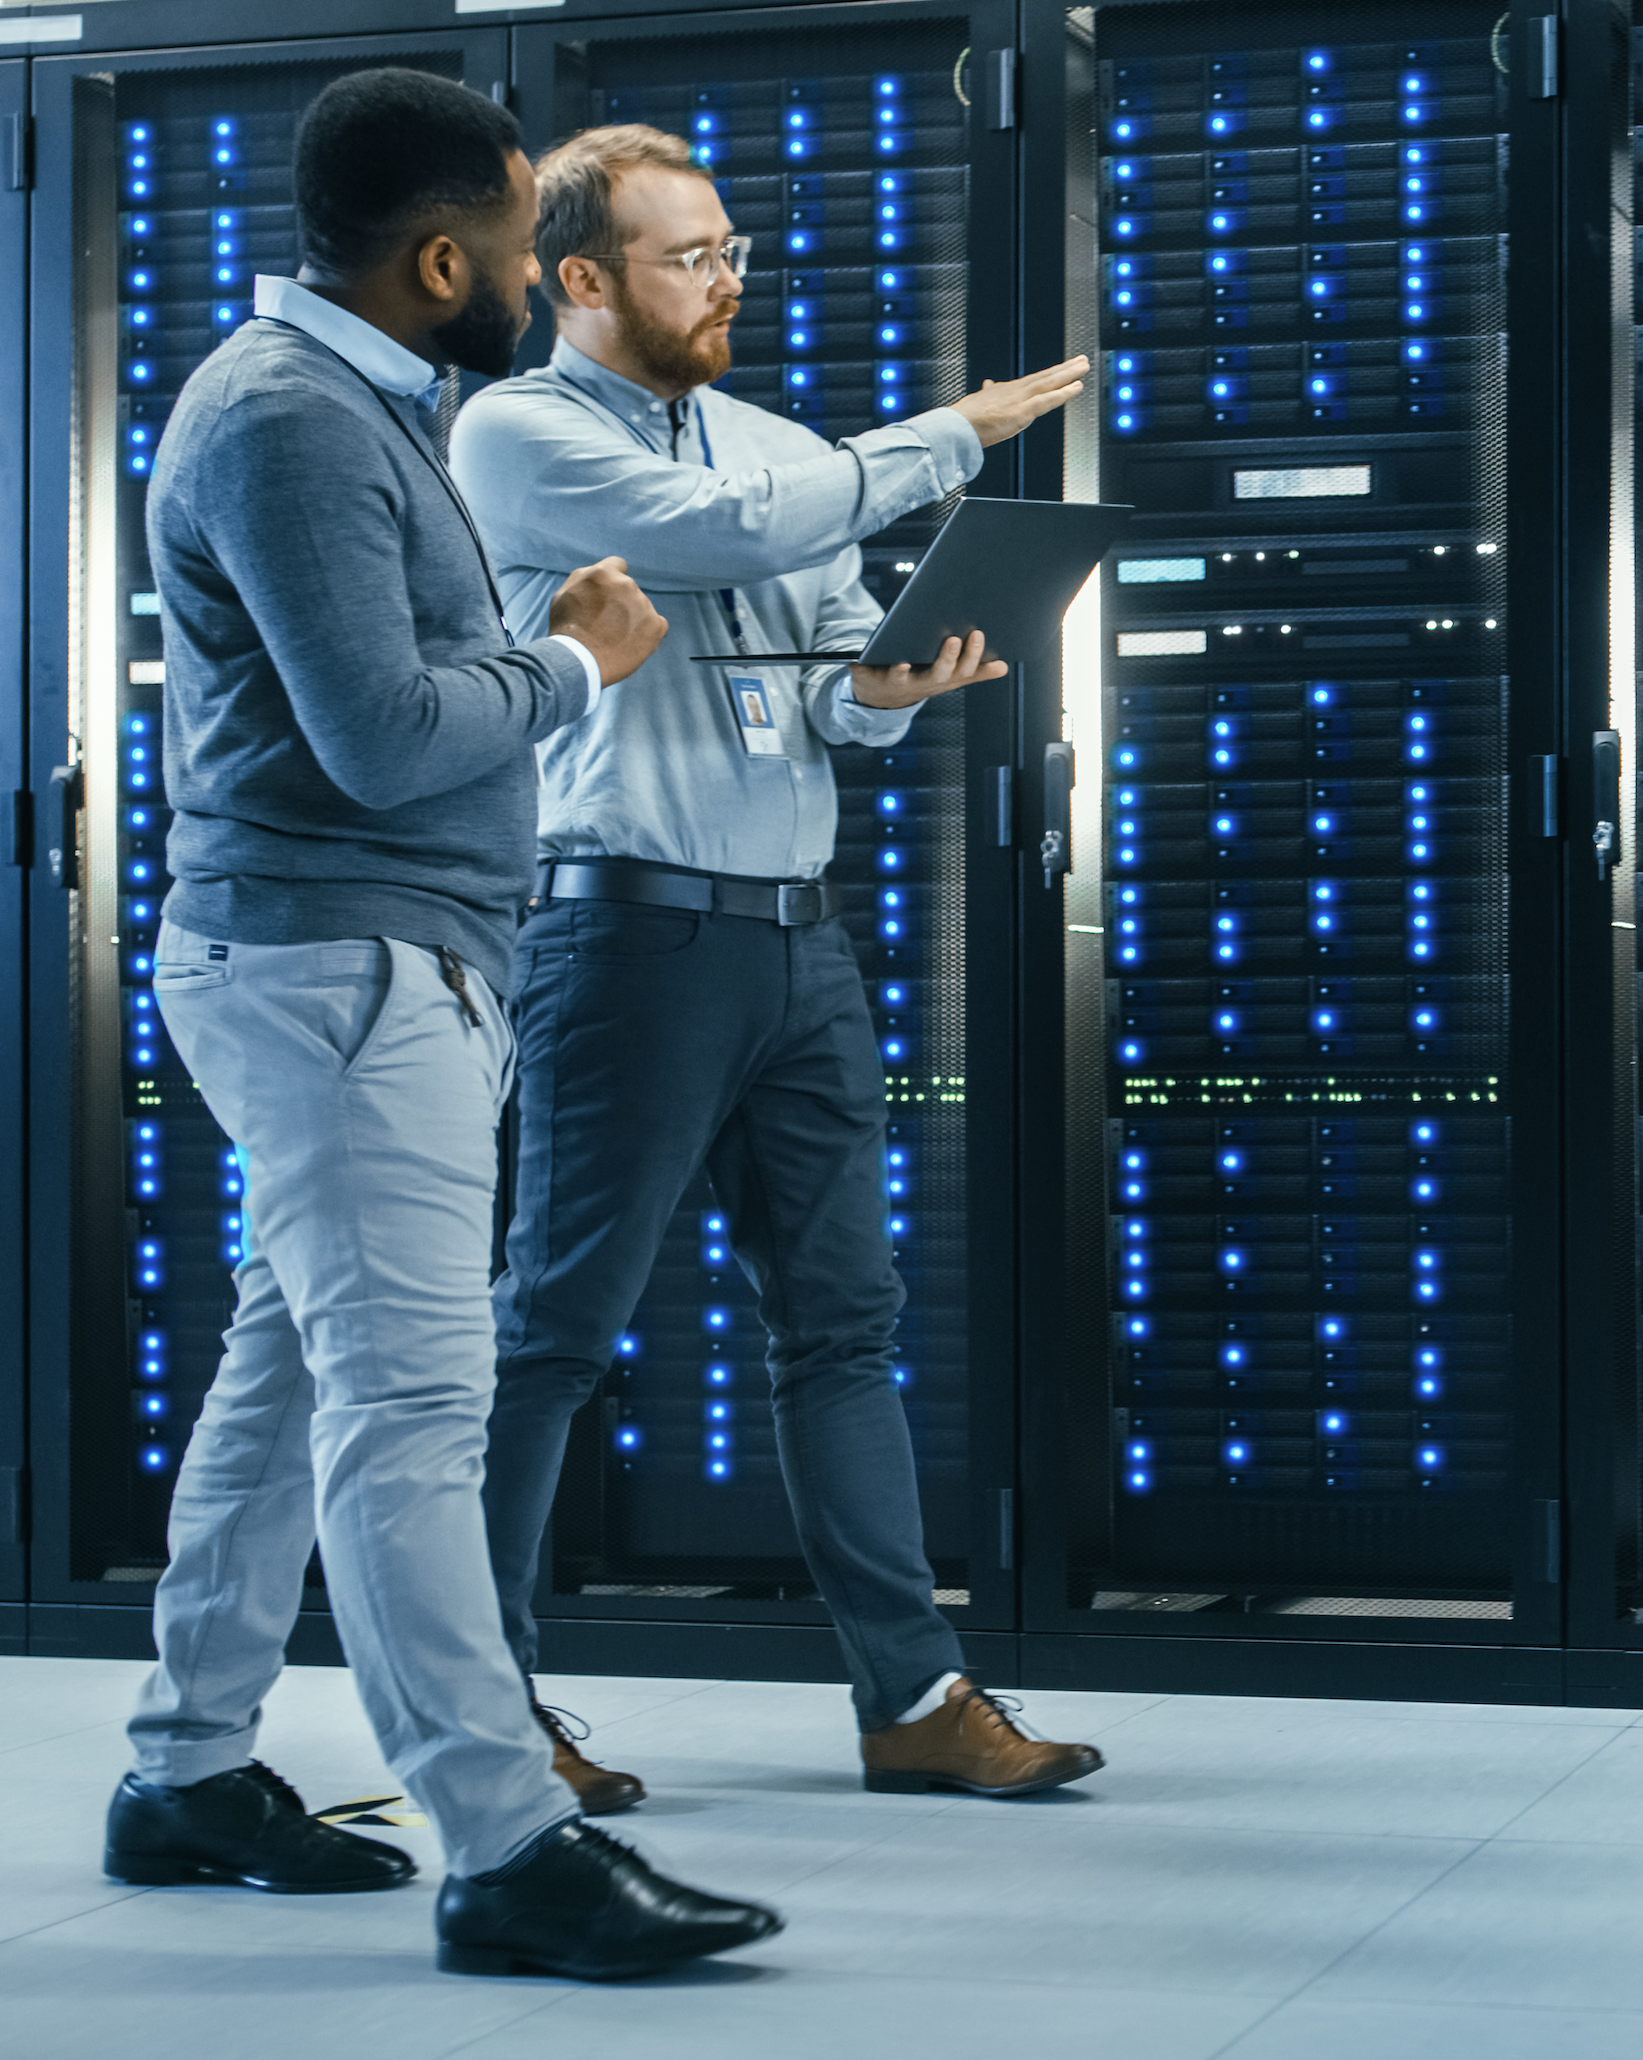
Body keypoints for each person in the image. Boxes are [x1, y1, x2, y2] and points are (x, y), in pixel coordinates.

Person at [103, 69, 781, 1981]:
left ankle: (182, 1769)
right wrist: (573, 658)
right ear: (433, 256)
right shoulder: (293, 420)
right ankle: (511, 1845)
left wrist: (517, 648)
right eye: (507, 246)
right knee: (414, 1407)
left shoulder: (354, 404)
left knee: (293, 1381)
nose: (530, 281)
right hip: (340, 967)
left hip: (368, 965)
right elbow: (388, 742)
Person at [453, 122, 1100, 1810]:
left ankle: (916, 1701)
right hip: (622, 934)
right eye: (692, 257)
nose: (726, 279)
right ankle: (489, 1709)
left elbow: (809, 657)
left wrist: (880, 696)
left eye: (734, 249)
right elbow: (734, 537)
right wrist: (948, 435)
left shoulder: (767, 441)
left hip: (796, 943)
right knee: (555, 1332)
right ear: (581, 279)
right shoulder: (518, 432)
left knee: (844, 1328)